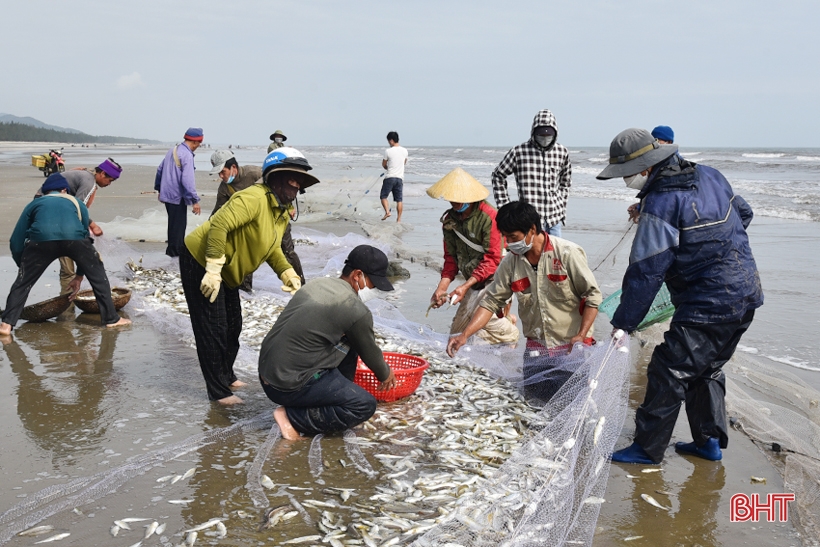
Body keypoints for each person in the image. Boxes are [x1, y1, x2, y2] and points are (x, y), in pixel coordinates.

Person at [597, 128, 763, 464]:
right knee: (706, 368)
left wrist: (624, 323)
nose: (625, 180)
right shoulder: (709, 175)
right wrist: (715, 251)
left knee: (668, 369)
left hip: (708, 304)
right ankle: (708, 443)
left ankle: (647, 448)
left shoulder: (660, 204)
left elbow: (647, 271)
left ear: (646, 168)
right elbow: (743, 214)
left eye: (627, 174)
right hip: (746, 291)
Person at [180, 147, 319, 405]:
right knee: (213, 327)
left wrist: (286, 272)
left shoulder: (280, 212)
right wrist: (212, 268)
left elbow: (272, 248)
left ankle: (226, 375)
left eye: (298, 181)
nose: (295, 184)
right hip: (201, 259)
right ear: (274, 178)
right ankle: (218, 391)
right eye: (290, 177)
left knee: (233, 325)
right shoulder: (254, 198)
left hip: (229, 268)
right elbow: (219, 224)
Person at [447, 201, 601, 401]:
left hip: (570, 349)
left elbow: (592, 296)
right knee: (532, 404)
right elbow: (491, 302)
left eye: (513, 237)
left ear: (532, 230)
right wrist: (465, 335)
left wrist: (581, 335)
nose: (509, 244)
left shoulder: (567, 253)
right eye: (506, 238)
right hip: (536, 349)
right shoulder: (510, 262)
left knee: (570, 405)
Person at [259, 245, 397, 440]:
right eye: (373, 283)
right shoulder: (354, 309)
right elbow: (370, 351)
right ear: (357, 275)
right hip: (287, 385)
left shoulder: (317, 284)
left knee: (350, 341)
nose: (374, 289)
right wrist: (386, 374)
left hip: (267, 374)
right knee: (364, 405)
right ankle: (291, 417)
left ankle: (328, 399)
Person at [0, 174, 131, 337]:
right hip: (74, 240)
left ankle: (6, 325)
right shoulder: (76, 202)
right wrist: (80, 276)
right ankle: (111, 319)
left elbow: (16, 240)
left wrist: (23, 266)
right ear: (64, 190)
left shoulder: (34, 204)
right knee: (98, 275)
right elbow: (85, 237)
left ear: (46, 192)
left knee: (22, 284)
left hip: (41, 242)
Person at [426, 167, 519, 344]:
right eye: (451, 197)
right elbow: (450, 259)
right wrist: (442, 288)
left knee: (484, 321)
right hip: (474, 279)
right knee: (457, 333)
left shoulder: (489, 217)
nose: (453, 202)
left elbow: (493, 259)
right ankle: (504, 319)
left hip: (496, 276)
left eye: (458, 198)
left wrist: (464, 287)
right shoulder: (450, 221)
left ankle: (510, 332)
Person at [209, 150, 305, 288]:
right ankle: (246, 289)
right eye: (219, 173)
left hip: (277, 218)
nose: (221, 176)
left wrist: (289, 207)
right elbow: (217, 212)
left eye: (223, 171)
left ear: (233, 168)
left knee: (287, 251)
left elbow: (283, 188)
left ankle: (301, 285)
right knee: (247, 250)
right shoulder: (224, 188)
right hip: (254, 226)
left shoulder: (255, 173)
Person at [34, 158, 123, 295]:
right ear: (102, 174)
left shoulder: (84, 173)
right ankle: (67, 295)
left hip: (45, 204)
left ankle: (68, 281)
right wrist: (92, 225)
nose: (109, 184)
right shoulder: (89, 183)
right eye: (110, 180)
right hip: (51, 208)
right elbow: (77, 208)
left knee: (68, 243)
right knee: (71, 244)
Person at [491, 109, 572, 236]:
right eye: (541, 135)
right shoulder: (519, 152)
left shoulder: (562, 152)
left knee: (555, 254)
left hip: (554, 219)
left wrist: (561, 202)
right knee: (531, 255)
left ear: (555, 134)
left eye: (548, 136)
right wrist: (505, 207)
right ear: (534, 133)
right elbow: (498, 176)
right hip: (529, 220)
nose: (545, 139)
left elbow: (565, 182)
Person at [155, 127, 203, 257]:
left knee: (173, 226)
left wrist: (159, 189)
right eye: (199, 144)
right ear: (195, 142)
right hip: (177, 196)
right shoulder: (186, 155)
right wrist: (195, 200)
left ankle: (171, 253)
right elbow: (187, 180)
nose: (198, 146)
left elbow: (160, 170)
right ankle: (174, 257)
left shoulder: (173, 150)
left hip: (167, 195)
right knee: (179, 228)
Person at [628, 125, 676, 223]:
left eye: (657, 140)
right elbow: (652, 190)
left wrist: (641, 208)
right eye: (652, 141)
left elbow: (664, 195)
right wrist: (640, 205)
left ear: (669, 142)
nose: (655, 144)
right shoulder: (657, 162)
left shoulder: (671, 164)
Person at [380, 131, 408, 222]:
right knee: (399, 200)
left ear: (391, 140)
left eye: (388, 141)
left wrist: (388, 168)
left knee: (383, 196)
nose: (389, 143)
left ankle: (387, 212)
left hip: (390, 177)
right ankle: (399, 219)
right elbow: (404, 163)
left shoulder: (388, 151)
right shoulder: (405, 151)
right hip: (400, 178)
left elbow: (384, 164)